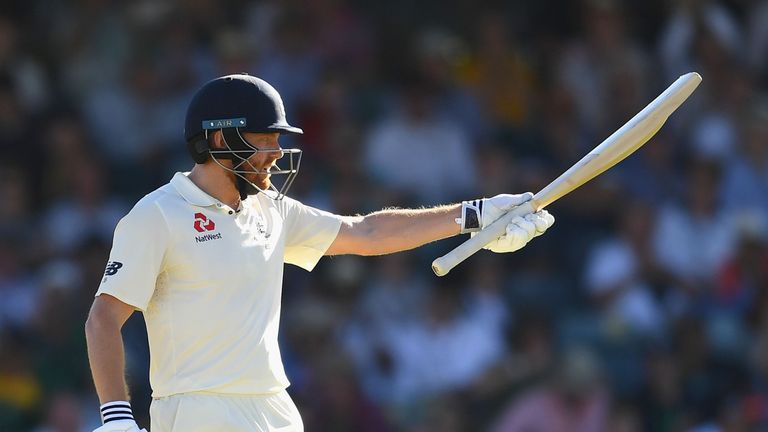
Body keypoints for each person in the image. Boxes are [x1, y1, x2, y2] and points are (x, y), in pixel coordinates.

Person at [84, 74, 555, 432]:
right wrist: (117, 416)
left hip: (274, 405)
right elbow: (103, 319)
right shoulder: (157, 215)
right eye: (265, 139)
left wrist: (475, 214)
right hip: (197, 409)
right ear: (220, 140)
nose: (275, 152)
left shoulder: (271, 209)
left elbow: (367, 232)